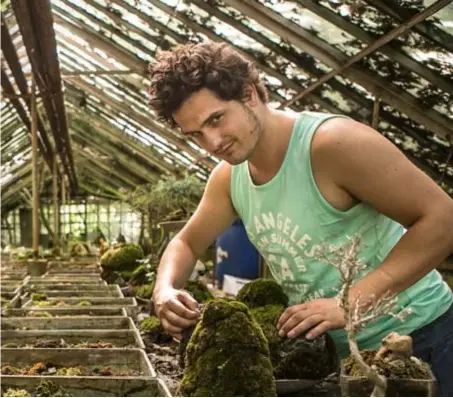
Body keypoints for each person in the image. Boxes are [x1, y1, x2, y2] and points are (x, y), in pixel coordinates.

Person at [148, 42, 453, 395]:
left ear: (249, 94)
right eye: (196, 134)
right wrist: (165, 289)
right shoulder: (230, 178)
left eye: (215, 119)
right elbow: (186, 242)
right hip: (339, 357)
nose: (212, 142)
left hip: (420, 340)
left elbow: (442, 219)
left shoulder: (331, 144)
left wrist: (351, 301)